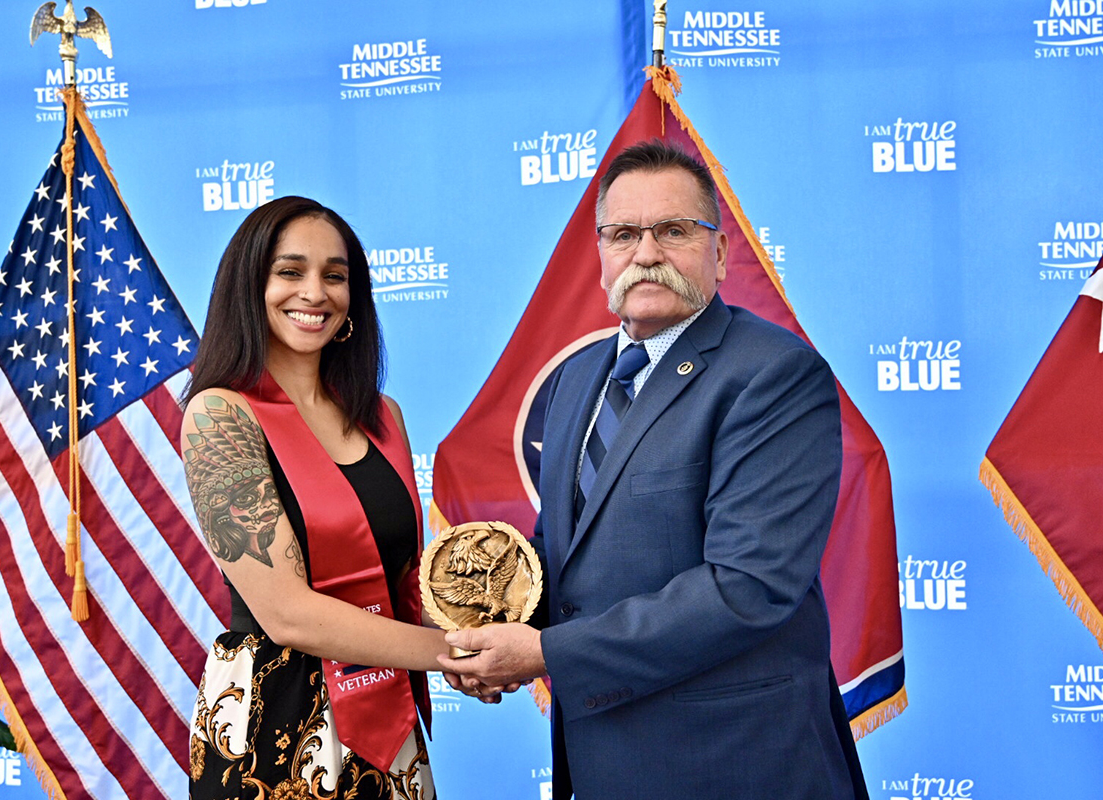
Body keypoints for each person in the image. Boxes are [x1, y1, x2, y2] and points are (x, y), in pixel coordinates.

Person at [438, 142, 870, 799]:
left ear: (720, 255)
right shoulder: (578, 378)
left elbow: (745, 587)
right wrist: (497, 633)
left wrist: (547, 655)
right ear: (602, 253)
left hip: (738, 765)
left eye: (673, 231)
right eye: (623, 234)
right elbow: (566, 553)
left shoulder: (774, 375)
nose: (645, 253)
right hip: (603, 759)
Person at [183, 196, 458, 799]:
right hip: (270, 724)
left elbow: (404, 579)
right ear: (249, 286)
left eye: (335, 276)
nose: (315, 292)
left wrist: (480, 638)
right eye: (290, 271)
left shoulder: (384, 417)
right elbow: (286, 612)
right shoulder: (219, 417)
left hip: (390, 714)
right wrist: (453, 654)